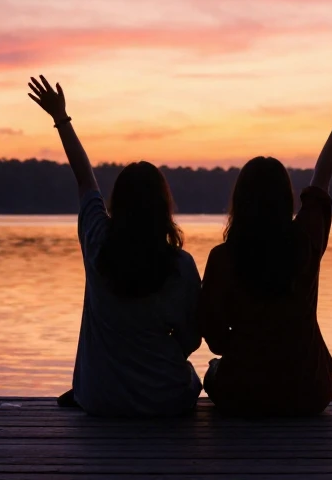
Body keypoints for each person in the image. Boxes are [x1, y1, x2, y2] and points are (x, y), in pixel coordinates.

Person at [198, 71, 332, 416]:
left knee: (212, 370)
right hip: (307, 393)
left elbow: (217, 339)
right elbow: (322, 176)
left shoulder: (222, 258)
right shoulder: (305, 241)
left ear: (240, 200)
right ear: (285, 200)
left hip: (244, 395)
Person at [27, 75, 202, 417]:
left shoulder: (97, 243)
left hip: (100, 398)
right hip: (166, 398)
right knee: (196, 377)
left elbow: (84, 178)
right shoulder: (180, 265)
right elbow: (192, 339)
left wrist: (61, 118)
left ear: (117, 204)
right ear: (162, 207)